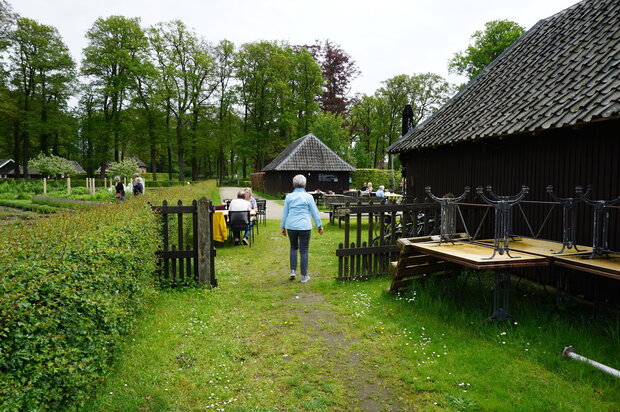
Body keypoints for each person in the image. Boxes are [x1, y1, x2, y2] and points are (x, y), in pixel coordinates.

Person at [281, 174, 324, 283]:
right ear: (305, 185)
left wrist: (283, 227)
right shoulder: (309, 197)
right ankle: (304, 276)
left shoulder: (289, 197)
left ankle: (292, 271)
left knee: (293, 247)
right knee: (304, 250)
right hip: (305, 226)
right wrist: (319, 225)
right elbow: (315, 212)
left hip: (291, 225)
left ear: (294, 184)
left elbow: (285, 213)